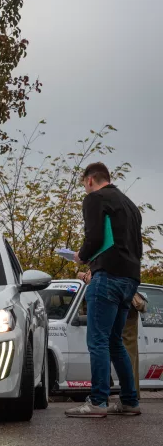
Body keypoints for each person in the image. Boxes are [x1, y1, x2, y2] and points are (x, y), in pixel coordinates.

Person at [65, 162, 143, 419]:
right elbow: (137, 247)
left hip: (107, 276)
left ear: (89, 180)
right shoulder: (130, 206)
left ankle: (98, 401)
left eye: (84, 184)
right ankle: (129, 401)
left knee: (97, 340)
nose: (85, 189)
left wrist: (81, 256)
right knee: (114, 341)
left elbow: (95, 238)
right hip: (130, 279)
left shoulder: (95, 199)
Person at [77, 268, 147, 401]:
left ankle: (101, 397)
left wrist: (85, 276)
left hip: (112, 296)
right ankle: (130, 397)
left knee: (101, 344)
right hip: (127, 295)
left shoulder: (101, 264)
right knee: (121, 348)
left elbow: (98, 276)